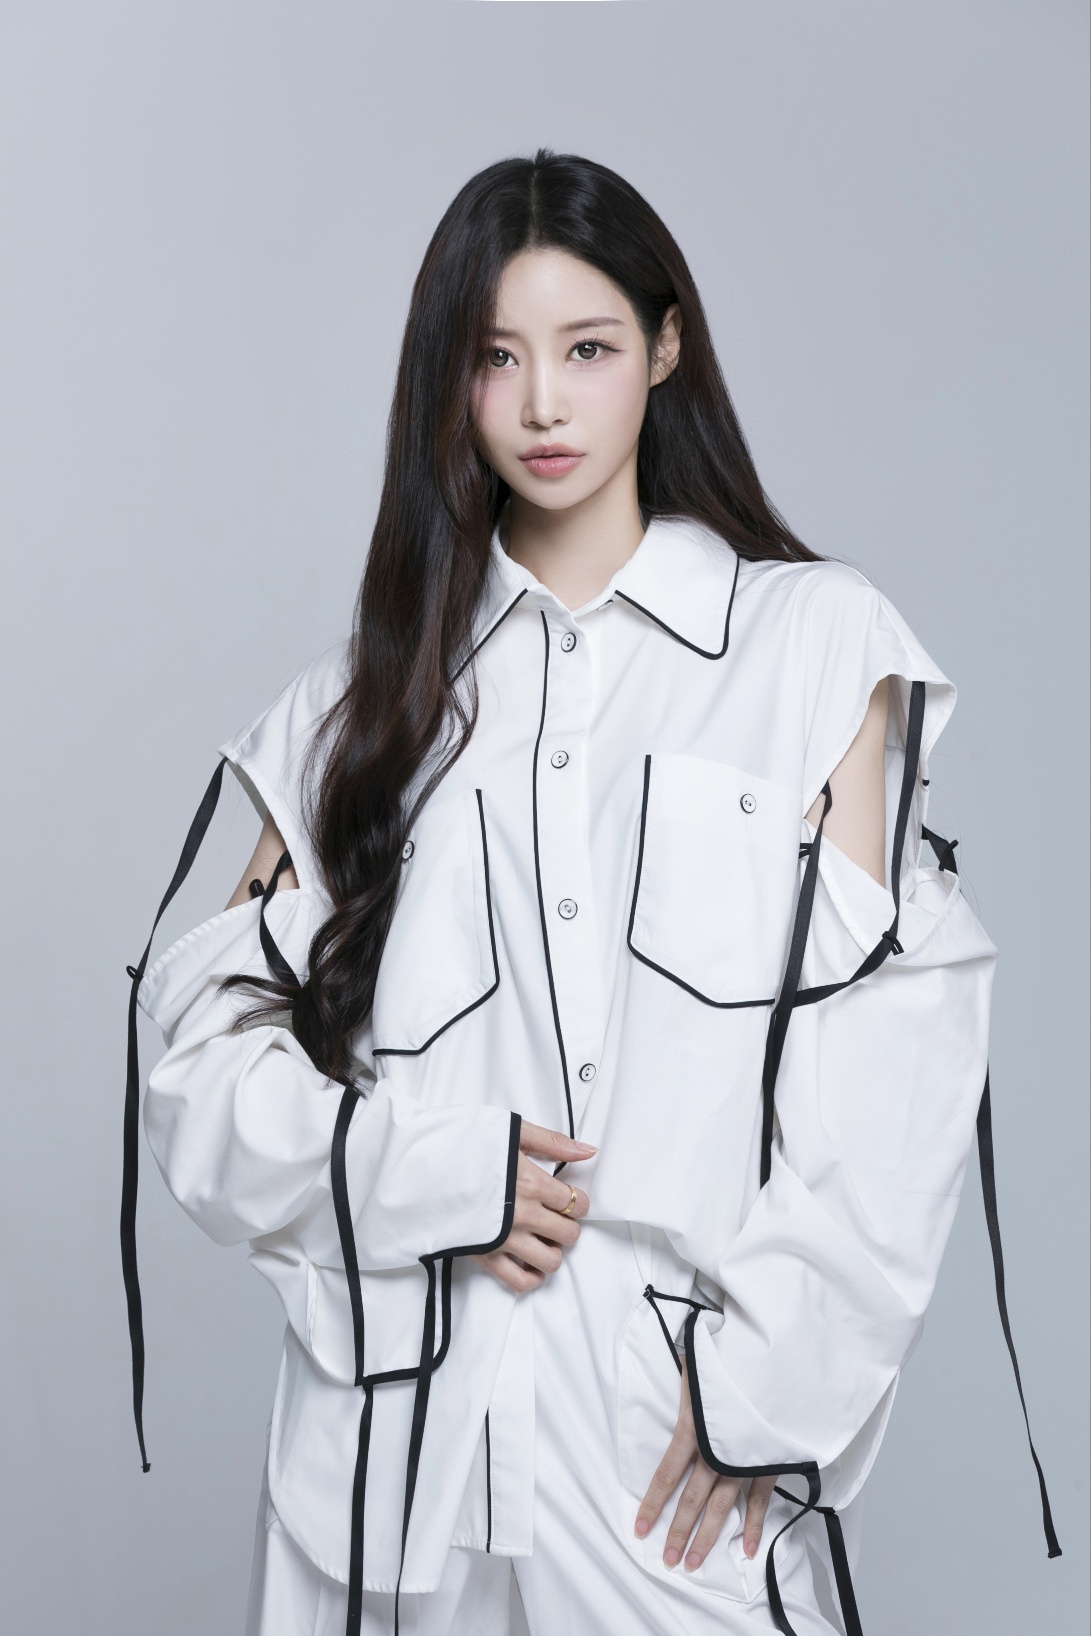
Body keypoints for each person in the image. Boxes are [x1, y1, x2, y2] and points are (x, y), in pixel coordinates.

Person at [123, 151, 1048, 1636]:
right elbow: (200, 1075)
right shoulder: (360, 714)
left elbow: (897, 1054)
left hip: (660, 1452)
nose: (542, 404)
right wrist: (432, 1172)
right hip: (389, 1460)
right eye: (496, 357)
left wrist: (768, 1390)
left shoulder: (815, 651)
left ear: (666, 349)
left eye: (589, 348)